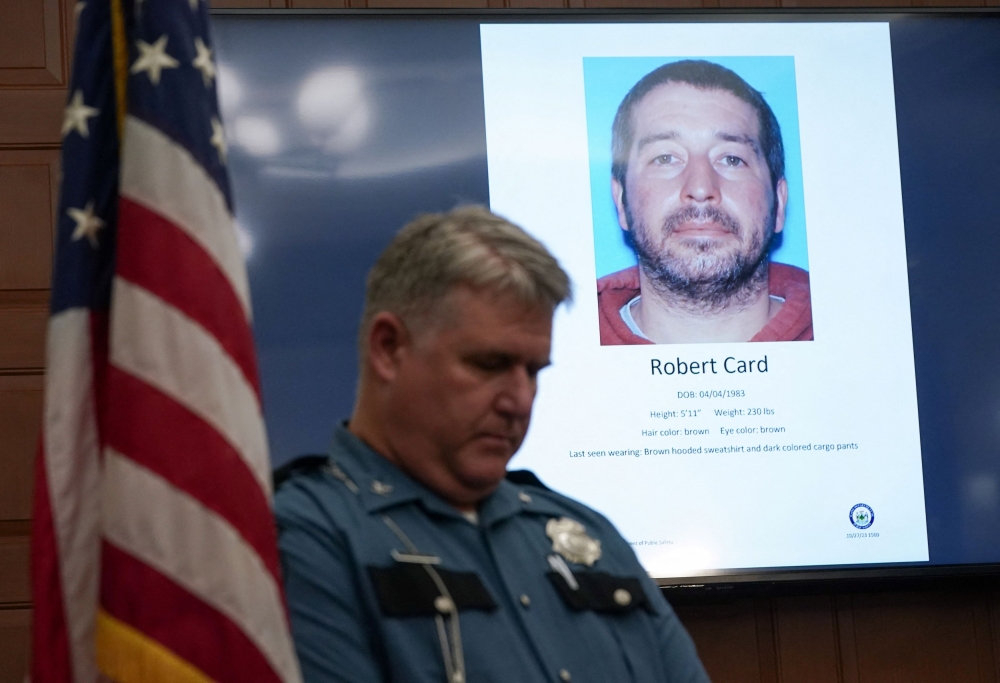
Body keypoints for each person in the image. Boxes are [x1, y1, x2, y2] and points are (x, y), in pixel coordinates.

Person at [274, 206, 711, 683]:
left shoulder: (586, 536)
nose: (519, 400)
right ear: (389, 348)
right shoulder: (305, 538)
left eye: (533, 371)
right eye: (489, 364)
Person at [598, 60, 813, 345]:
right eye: (665, 158)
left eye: (732, 159)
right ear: (621, 200)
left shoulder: (852, 333)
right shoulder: (565, 341)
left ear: (780, 202)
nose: (700, 188)